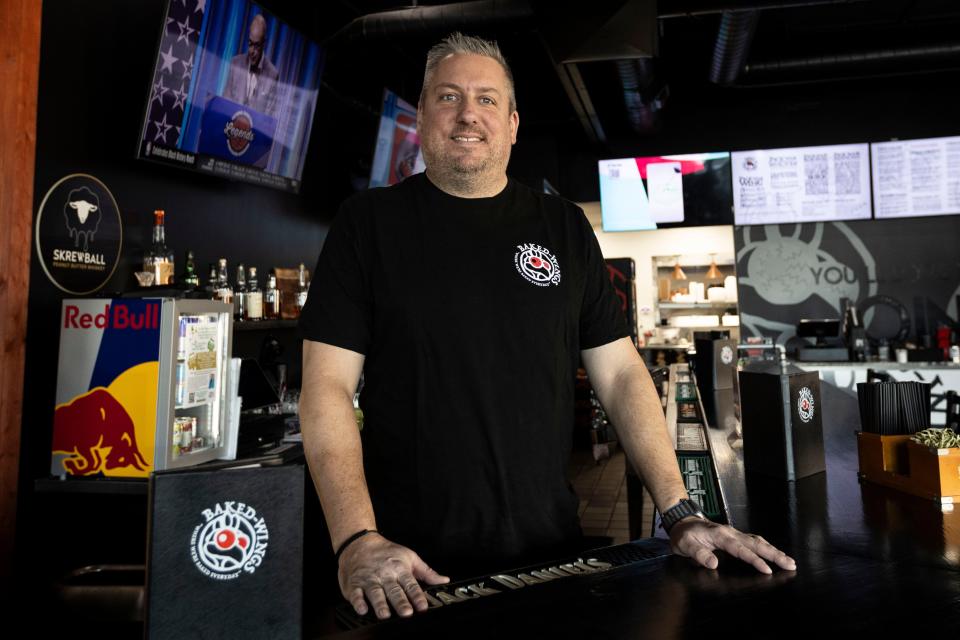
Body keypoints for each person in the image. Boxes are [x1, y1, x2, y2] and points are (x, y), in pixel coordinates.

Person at [298, 32, 796, 622]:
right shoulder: (367, 225)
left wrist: (680, 512)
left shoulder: (562, 228)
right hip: (404, 570)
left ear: (511, 124)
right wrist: (356, 539)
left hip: (549, 556)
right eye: (449, 96)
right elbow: (325, 388)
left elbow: (620, 376)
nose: (467, 115)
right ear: (423, 114)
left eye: (486, 100)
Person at [223, 14, 279, 116]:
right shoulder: (235, 63)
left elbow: (269, 117)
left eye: (256, 45)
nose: (251, 51)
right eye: (250, 43)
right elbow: (225, 105)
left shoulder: (273, 75)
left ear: (264, 43)